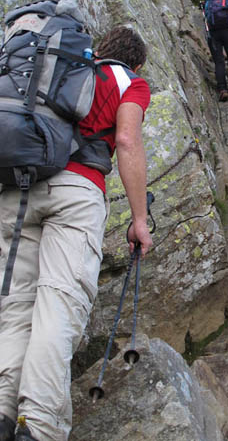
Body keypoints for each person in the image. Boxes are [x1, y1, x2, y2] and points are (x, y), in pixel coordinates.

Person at [0, 26, 153, 441]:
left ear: (100, 48)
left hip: (17, 192)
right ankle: (40, 428)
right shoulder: (130, 82)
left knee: (15, 310)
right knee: (58, 305)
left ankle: (2, 410)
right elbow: (126, 139)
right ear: (136, 63)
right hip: (76, 192)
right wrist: (139, 219)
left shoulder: (62, 66)